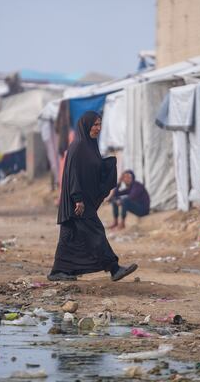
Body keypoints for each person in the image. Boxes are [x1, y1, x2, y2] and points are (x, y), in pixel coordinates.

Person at [48, 111, 138, 282]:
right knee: (95, 232)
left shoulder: (90, 145)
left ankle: (60, 271)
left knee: (69, 237)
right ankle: (114, 268)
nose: (98, 128)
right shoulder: (79, 146)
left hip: (82, 200)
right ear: (85, 125)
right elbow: (73, 175)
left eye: (99, 124)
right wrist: (78, 199)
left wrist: (107, 166)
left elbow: (91, 170)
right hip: (78, 202)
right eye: (95, 124)